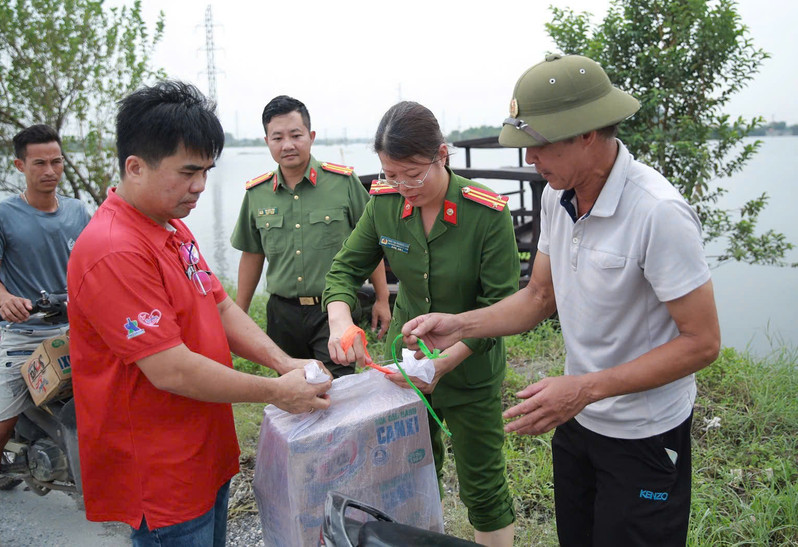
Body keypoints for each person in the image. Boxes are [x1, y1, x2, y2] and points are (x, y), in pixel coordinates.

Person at [402, 54, 721, 545]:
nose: (530, 160)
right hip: (577, 420)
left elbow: (702, 343)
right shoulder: (558, 196)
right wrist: (461, 324)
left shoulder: (658, 213)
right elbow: (538, 296)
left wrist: (584, 389)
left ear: (587, 133)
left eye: (540, 145)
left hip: (644, 433)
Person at [66, 81, 332, 546]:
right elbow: (170, 370)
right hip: (162, 472)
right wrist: (277, 392)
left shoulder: (171, 226)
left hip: (205, 451)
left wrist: (285, 363)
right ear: (135, 167)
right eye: (189, 171)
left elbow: (221, 305)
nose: (200, 187)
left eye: (207, 171)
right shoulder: (114, 250)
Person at [323, 101, 520, 547]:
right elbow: (343, 271)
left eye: (413, 173)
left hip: (470, 371)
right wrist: (340, 323)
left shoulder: (486, 214)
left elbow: (502, 308)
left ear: (442, 155)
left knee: (483, 485)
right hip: (404, 371)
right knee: (406, 472)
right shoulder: (385, 205)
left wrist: (446, 363)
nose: (403, 186)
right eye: (391, 174)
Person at [0, 124, 90, 547]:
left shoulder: (78, 212)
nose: (50, 170)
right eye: (39, 162)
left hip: (74, 329)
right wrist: (6, 300)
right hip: (23, 335)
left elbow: (93, 268)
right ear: (20, 165)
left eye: (56, 161)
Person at [230, 95, 391, 378]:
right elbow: (252, 255)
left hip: (334, 310)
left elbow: (370, 244)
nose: (288, 145)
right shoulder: (257, 194)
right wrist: (238, 316)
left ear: (311, 136)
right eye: (277, 137)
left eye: (296, 135)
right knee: (293, 391)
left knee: (337, 390)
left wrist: (382, 298)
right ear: (267, 141)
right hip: (282, 314)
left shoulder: (342, 183)